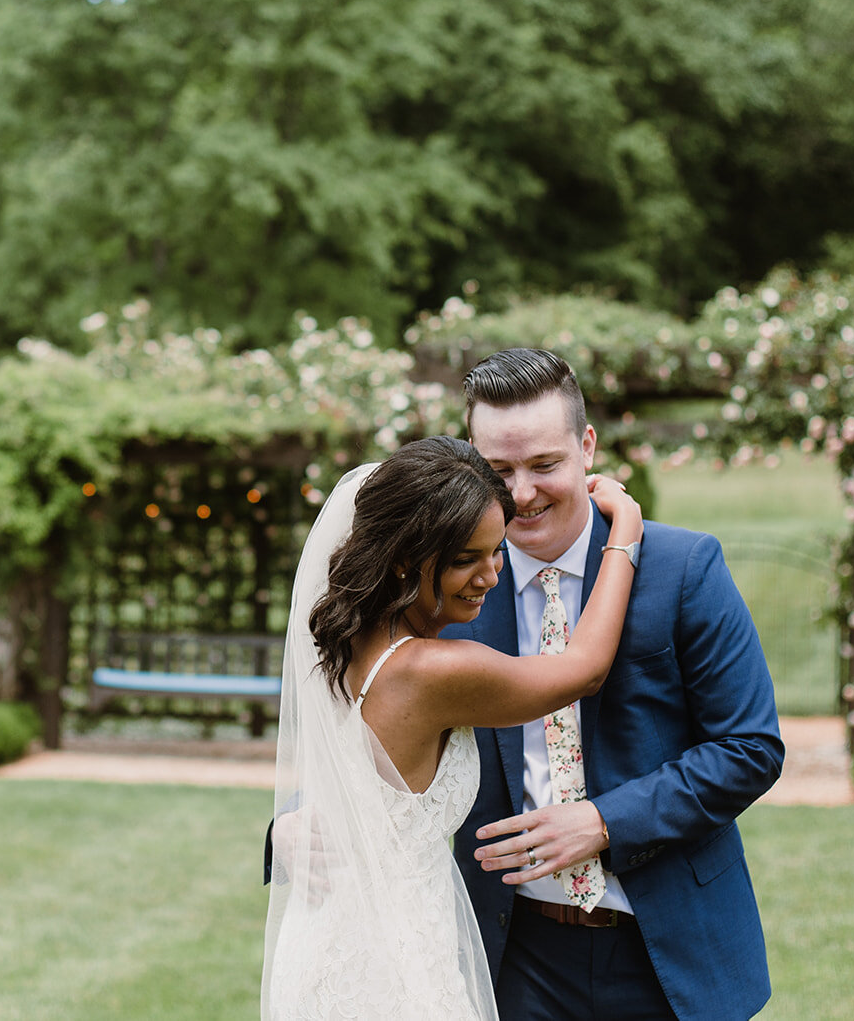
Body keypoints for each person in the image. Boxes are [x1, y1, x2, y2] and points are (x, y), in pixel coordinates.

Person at [450, 349, 784, 1021]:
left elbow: (750, 747)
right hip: (512, 954)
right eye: (499, 470)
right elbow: (381, 711)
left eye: (545, 464)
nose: (521, 493)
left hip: (665, 952)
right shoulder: (448, 589)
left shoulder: (685, 567)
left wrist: (604, 820)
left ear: (587, 445)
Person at [262, 435, 644, 1020]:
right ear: (402, 559)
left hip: (344, 935)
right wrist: (625, 533)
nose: (491, 576)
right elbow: (582, 671)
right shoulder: (431, 671)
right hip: (386, 963)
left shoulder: (350, 633)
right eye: (466, 558)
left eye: (496, 551)